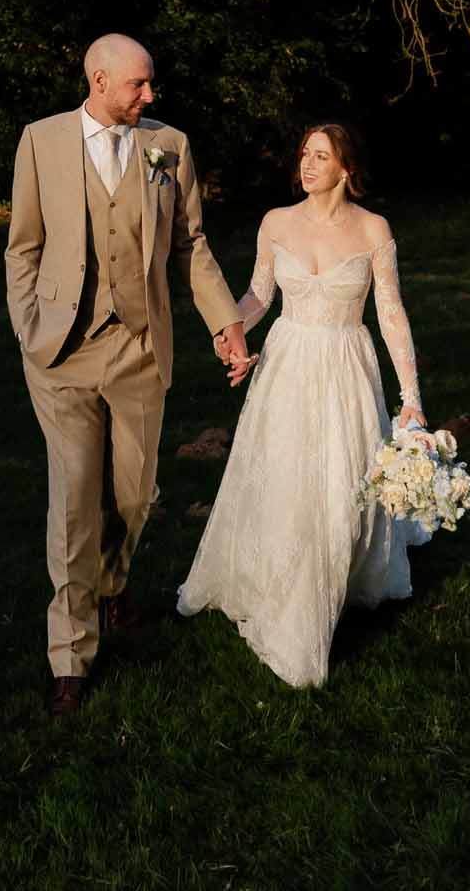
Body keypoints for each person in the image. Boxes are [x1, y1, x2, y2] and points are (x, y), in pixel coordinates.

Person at [6, 33, 251, 718]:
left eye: (150, 83)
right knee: (74, 502)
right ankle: (70, 655)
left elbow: (191, 245)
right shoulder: (41, 141)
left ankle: (112, 581)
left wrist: (225, 323)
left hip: (141, 349)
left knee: (135, 495)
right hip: (62, 354)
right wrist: (29, 327)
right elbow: (22, 247)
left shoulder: (167, 145)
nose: (150, 94)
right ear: (99, 81)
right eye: (138, 84)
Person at [177, 122, 427, 688]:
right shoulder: (276, 222)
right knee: (287, 478)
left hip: (345, 367)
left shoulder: (373, 229)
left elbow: (391, 314)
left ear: (346, 169)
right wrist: (230, 332)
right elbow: (259, 295)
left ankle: (334, 583)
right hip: (286, 365)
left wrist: (411, 399)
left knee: (341, 483)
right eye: (305, 154)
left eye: (321, 156)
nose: (307, 165)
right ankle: (282, 586)